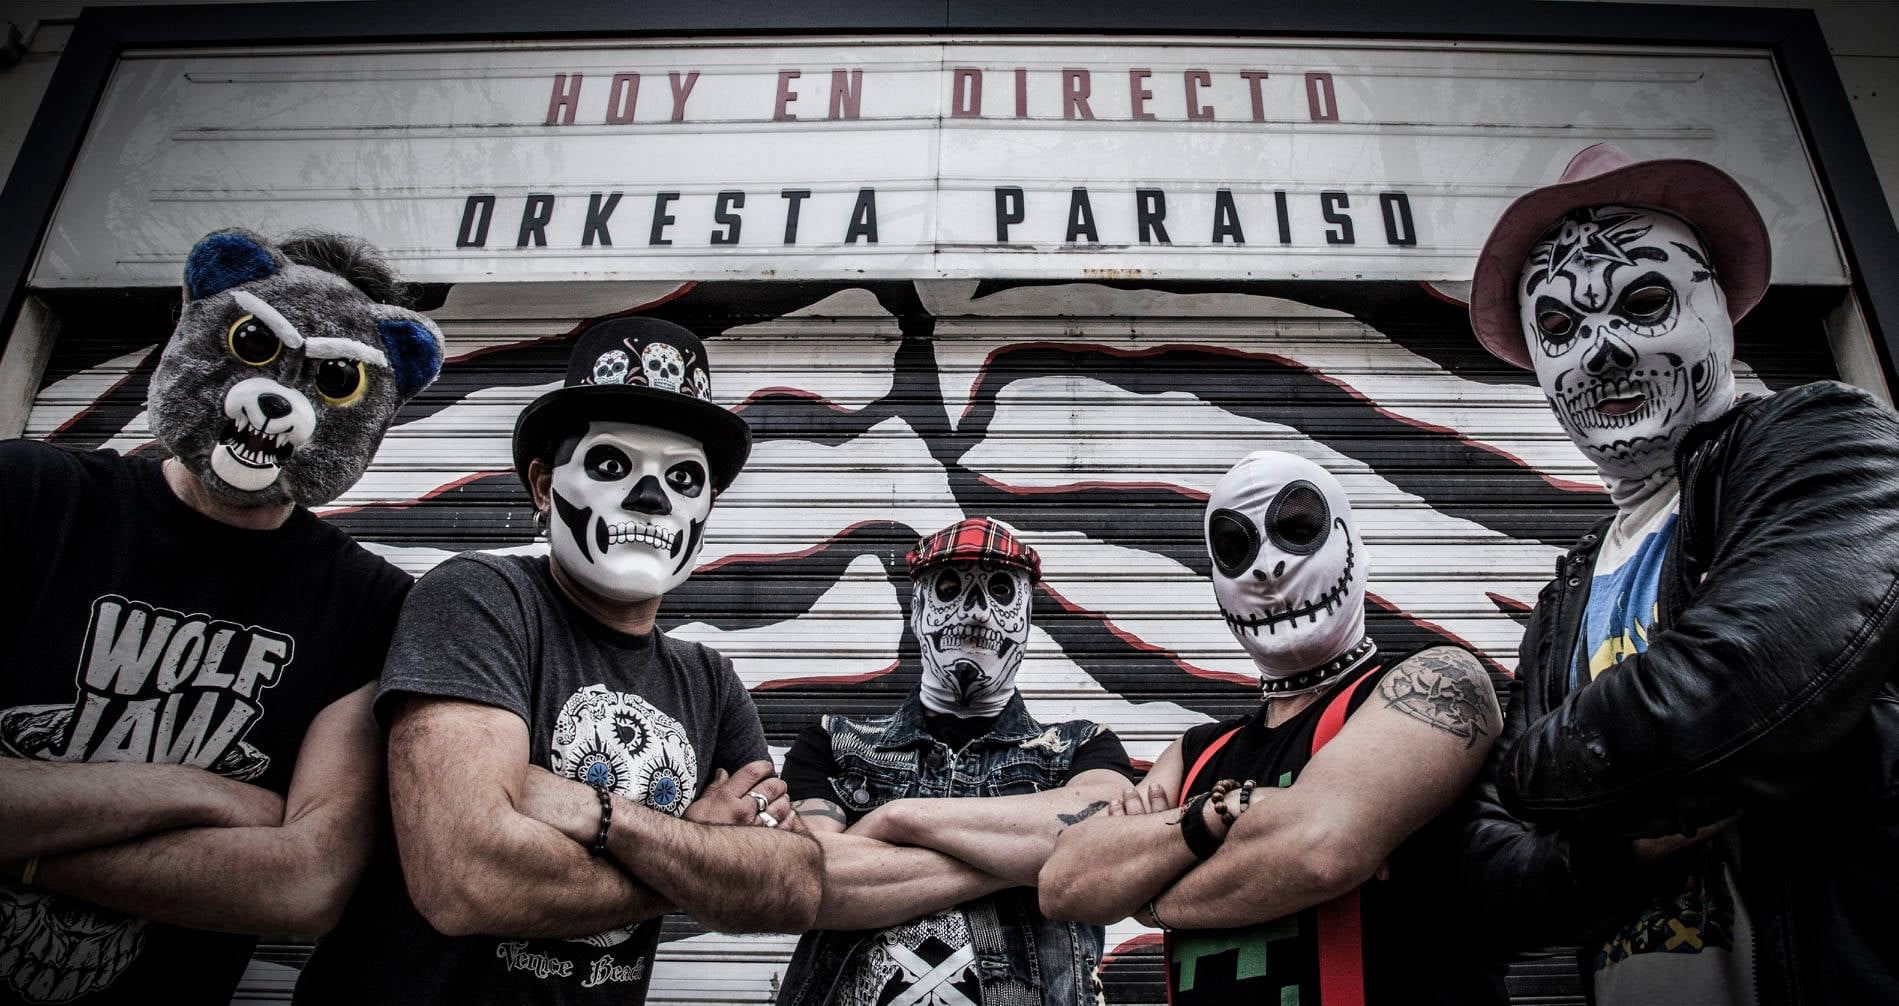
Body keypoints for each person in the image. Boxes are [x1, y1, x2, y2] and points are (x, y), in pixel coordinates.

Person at [1457, 143, 1899, 1003]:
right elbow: (1485, 872)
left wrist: (1530, 777)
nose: (1600, 351)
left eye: (1643, 302)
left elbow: (1741, 687)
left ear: (1717, 307)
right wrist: (1614, 848)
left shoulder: (1824, 441)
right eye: (1560, 327)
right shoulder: (1563, 597)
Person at [294, 317, 823, 1005]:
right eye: (611, 465)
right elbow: (465, 878)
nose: (650, 499)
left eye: (683, 477)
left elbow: (793, 885)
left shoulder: (710, 682)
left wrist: (599, 814)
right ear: (544, 488)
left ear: (706, 510)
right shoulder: (478, 601)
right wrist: (696, 858)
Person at [0, 228, 444, 1004]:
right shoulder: (27, 494)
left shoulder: (368, 605)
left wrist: (30, 837)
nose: (279, 397)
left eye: (333, 378)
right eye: (253, 346)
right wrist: (198, 792)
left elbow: (304, 884)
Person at [1038, 451, 1505, 1005]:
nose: (1268, 567)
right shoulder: (1197, 752)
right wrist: (1219, 812)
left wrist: (1148, 896)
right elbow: (1064, 882)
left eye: (1298, 531)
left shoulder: (1438, 682)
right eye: (1237, 548)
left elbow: (1319, 848)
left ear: (1351, 542)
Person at [774, 517, 1140, 1006]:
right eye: (949, 589)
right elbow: (812, 883)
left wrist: (896, 819)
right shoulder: (833, 744)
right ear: (917, 610)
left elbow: (1106, 846)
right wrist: (1037, 858)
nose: (976, 612)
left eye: (1001, 591)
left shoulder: (1083, 748)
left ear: (1027, 617)